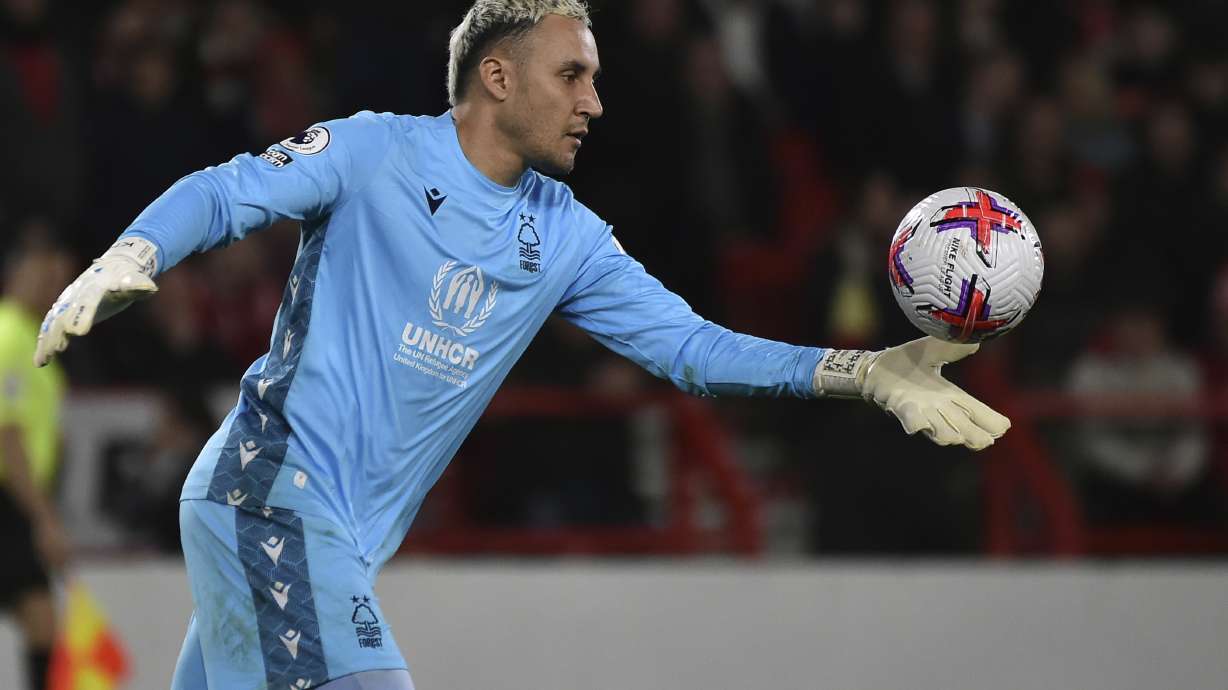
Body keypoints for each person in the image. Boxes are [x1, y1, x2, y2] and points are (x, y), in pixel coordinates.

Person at [33, 2, 1011, 688]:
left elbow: (690, 346)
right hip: (268, 494)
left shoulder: (567, 237)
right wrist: (134, 253)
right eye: (572, 75)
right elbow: (229, 190)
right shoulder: (375, 152)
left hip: (332, 539)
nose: (593, 102)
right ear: (497, 77)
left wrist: (863, 372)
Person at [1, 224, 75, 690]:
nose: (53, 287)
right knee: (41, 618)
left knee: (41, 619)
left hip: (19, 499)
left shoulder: (36, 337)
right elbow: (7, 434)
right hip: (9, 498)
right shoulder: (9, 335)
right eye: (45, 275)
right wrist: (44, 517)